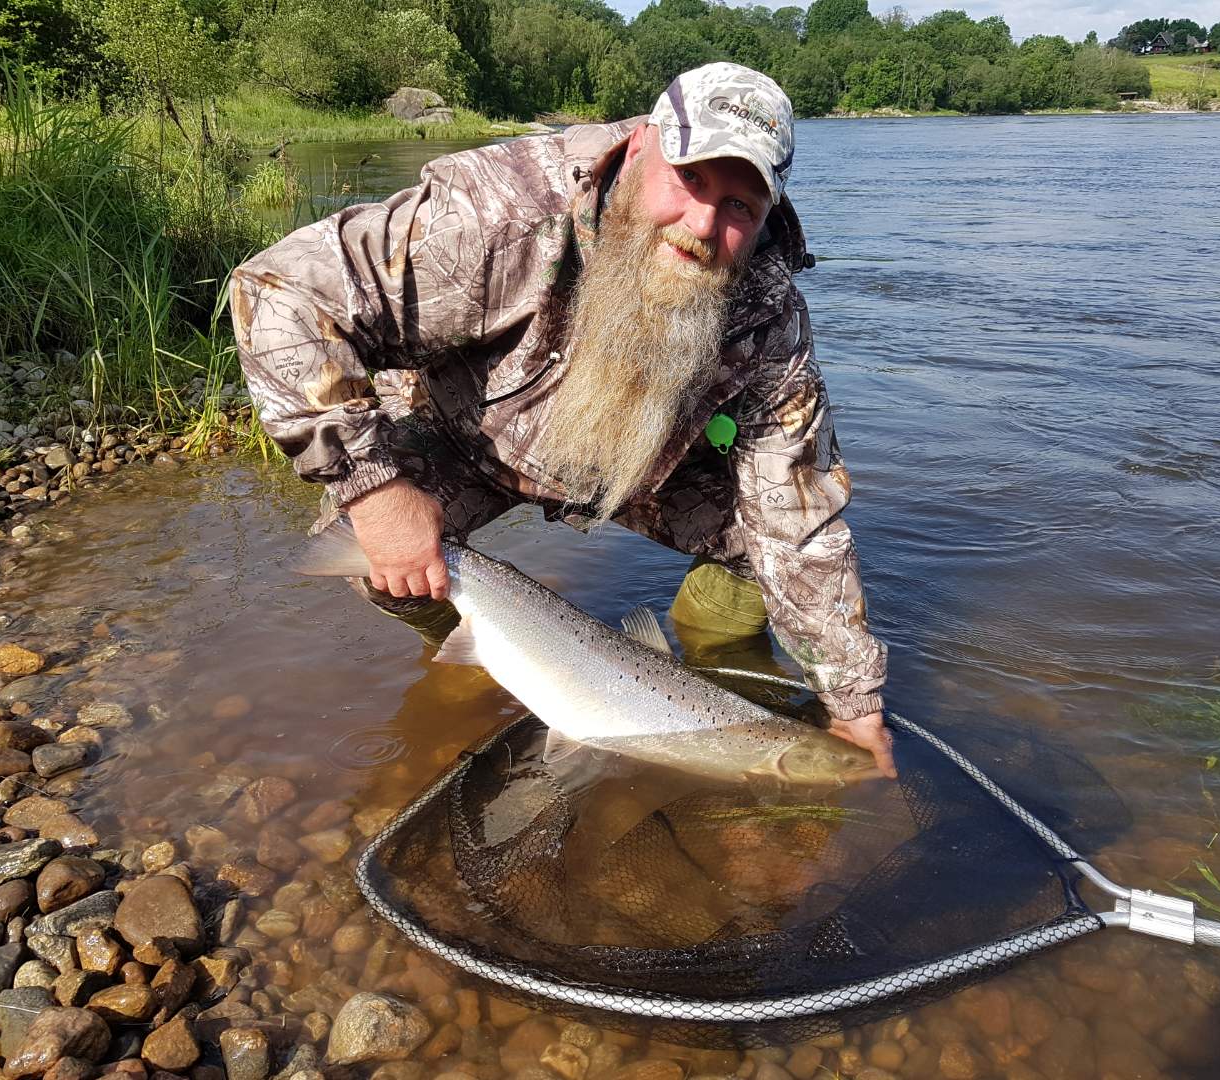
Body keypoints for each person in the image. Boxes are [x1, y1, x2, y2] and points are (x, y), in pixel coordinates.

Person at [230, 62, 894, 776]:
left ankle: (716, 648)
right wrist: (375, 489)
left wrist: (854, 704)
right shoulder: (501, 212)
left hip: (637, 467)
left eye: (740, 205)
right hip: (464, 431)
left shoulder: (769, 316)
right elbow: (278, 291)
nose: (704, 223)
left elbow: (801, 516)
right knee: (366, 549)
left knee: (773, 561)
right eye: (692, 179)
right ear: (640, 147)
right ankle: (480, 646)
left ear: (771, 214)